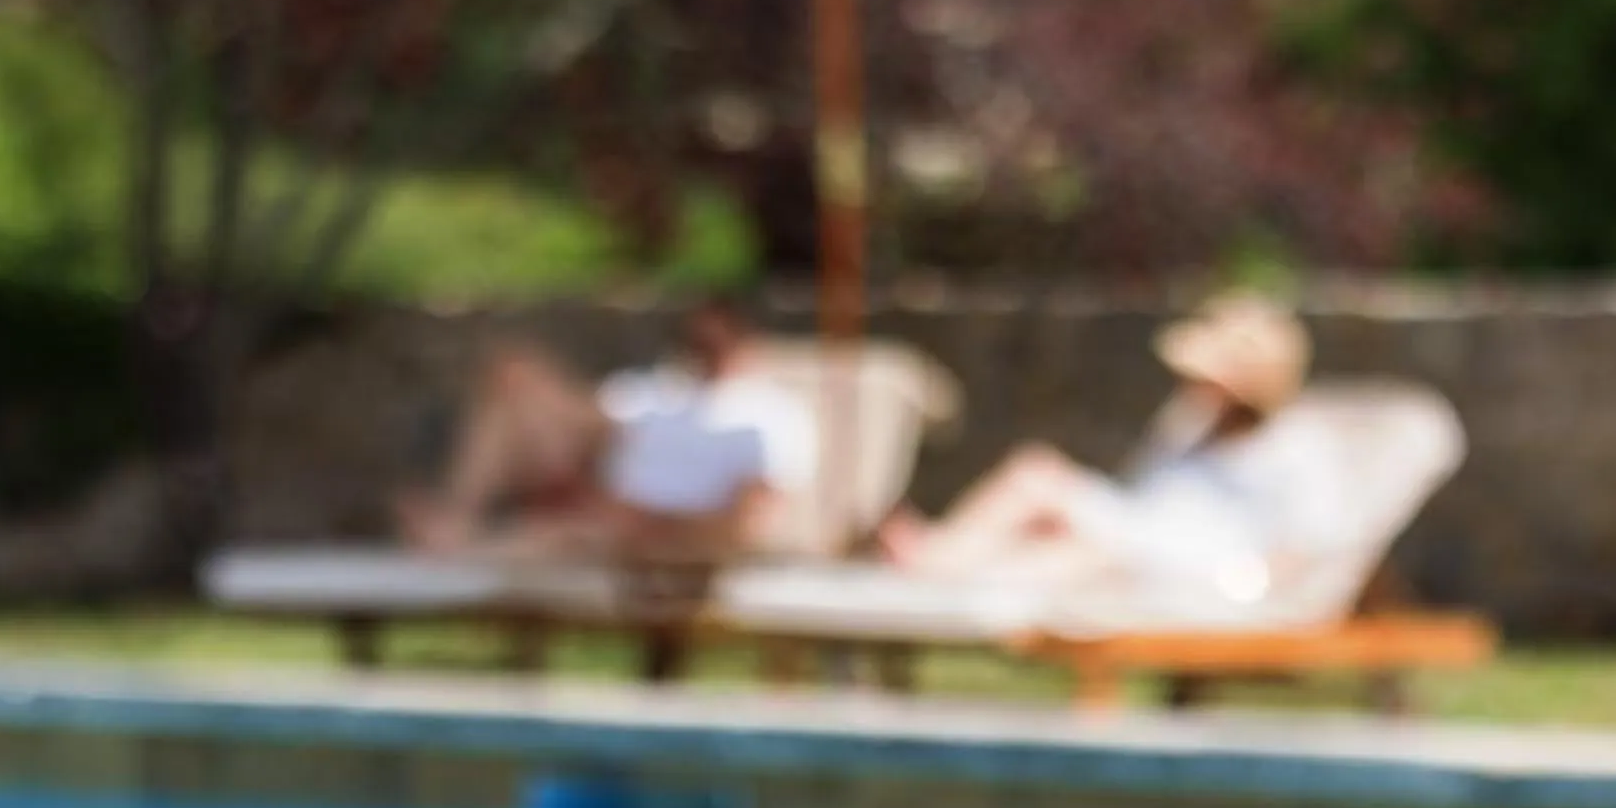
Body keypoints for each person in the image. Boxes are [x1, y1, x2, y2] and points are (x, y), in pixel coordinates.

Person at [878, 293, 1331, 602]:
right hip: (1144, 541)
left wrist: (1246, 591)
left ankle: (935, 561)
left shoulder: (1293, 449)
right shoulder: (1191, 425)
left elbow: (1306, 546)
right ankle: (945, 576)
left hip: (1195, 567)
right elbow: (1141, 494)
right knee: (1061, 553)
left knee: (1037, 476)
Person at [398, 300, 816, 563]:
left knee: (563, 537)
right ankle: (455, 519)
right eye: (697, 337)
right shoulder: (655, 390)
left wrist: (651, 523)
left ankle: (453, 543)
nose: (705, 346)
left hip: (675, 538)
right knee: (512, 377)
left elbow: (749, 520)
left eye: (717, 338)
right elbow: (586, 427)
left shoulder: (772, 416)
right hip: (604, 506)